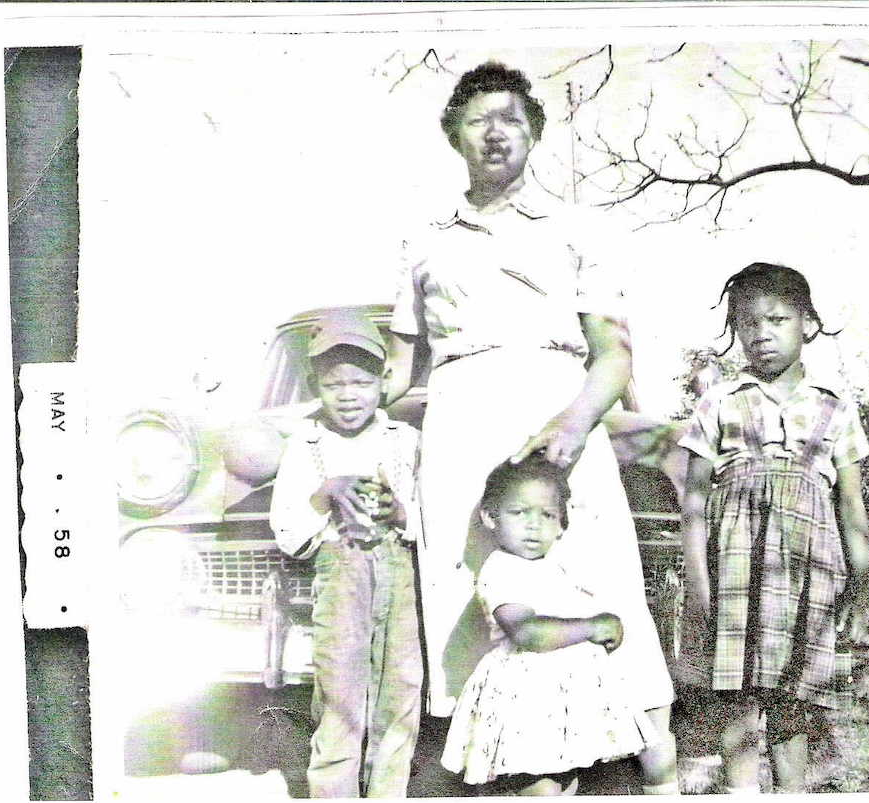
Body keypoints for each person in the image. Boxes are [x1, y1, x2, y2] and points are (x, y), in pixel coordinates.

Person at [384, 62, 677, 794]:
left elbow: (612, 356)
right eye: (477, 119)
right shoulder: (423, 240)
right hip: (459, 421)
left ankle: (650, 758)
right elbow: (396, 380)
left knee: (600, 577)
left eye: (510, 118)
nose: (494, 132)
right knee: (471, 590)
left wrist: (575, 425)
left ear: (535, 133)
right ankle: (517, 767)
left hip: (561, 411)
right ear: (454, 135)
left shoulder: (580, 227)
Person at [678, 263, 869, 793]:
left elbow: (851, 505)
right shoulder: (719, 400)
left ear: (807, 324)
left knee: (794, 701)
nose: (760, 333)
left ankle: (791, 793)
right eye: (746, 323)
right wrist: (698, 582)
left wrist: (858, 584)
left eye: (777, 319)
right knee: (738, 699)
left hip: (811, 570)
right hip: (736, 569)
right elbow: (694, 499)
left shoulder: (834, 406)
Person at [441, 456, 663, 795]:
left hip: (565, 701)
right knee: (539, 785)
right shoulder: (503, 569)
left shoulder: (555, 568)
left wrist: (606, 630)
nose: (533, 525)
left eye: (546, 515)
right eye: (519, 513)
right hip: (526, 700)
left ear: (562, 525)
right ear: (490, 516)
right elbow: (528, 632)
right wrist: (591, 627)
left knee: (566, 782)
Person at [269, 309, 423, 798]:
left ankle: (386, 793)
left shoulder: (407, 441)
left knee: (400, 692)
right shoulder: (305, 445)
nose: (349, 395)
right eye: (335, 384)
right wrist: (326, 491)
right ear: (317, 385)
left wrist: (401, 512)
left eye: (360, 382)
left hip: (400, 575)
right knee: (338, 696)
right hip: (340, 580)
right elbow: (290, 534)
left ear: (382, 382)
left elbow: (427, 521)